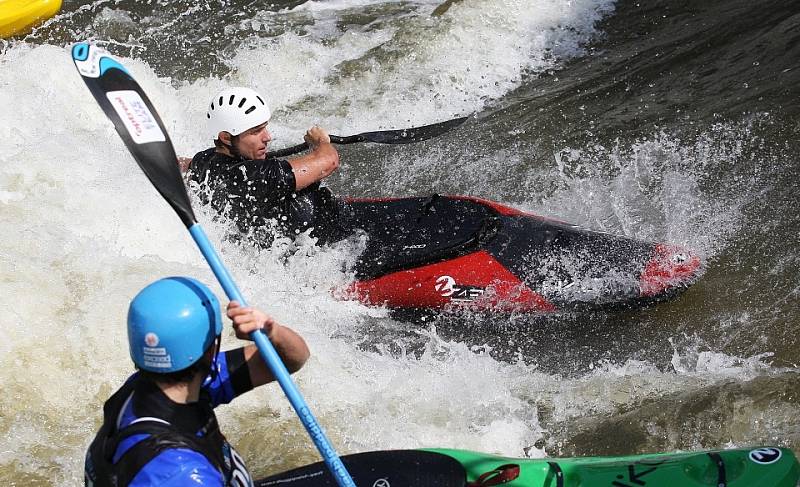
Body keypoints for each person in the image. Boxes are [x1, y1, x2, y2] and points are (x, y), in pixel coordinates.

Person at [84, 276, 310, 486]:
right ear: (212, 350)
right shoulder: (180, 474)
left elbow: (290, 359)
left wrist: (273, 333)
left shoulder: (157, 385)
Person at [186, 87, 343, 245]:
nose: (268, 137)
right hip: (336, 240)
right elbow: (329, 160)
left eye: (265, 127)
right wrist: (321, 142)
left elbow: (181, 165)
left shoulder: (204, 160)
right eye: (256, 131)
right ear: (226, 137)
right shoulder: (257, 175)